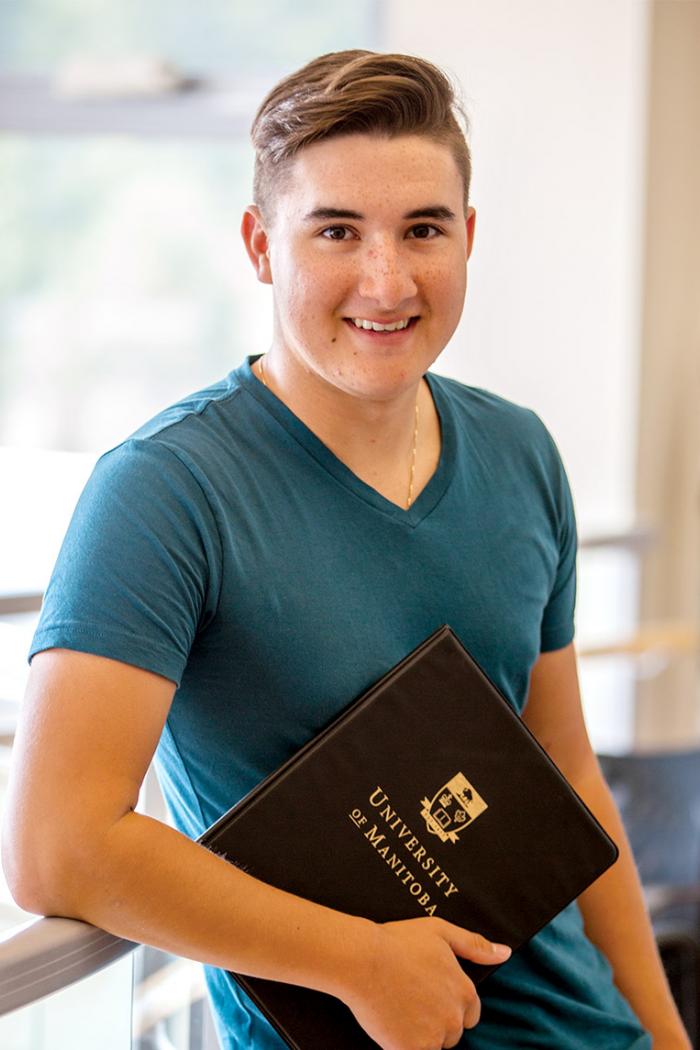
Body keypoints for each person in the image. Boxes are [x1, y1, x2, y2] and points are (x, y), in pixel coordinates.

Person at [2, 50, 690, 1050]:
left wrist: (662, 1037)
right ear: (259, 244)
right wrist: (357, 961)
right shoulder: (166, 489)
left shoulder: (518, 450)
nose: (387, 278)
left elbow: (566, 773)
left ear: (468, 238)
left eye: (423, 229)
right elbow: (57, 848)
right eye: (336, 230)